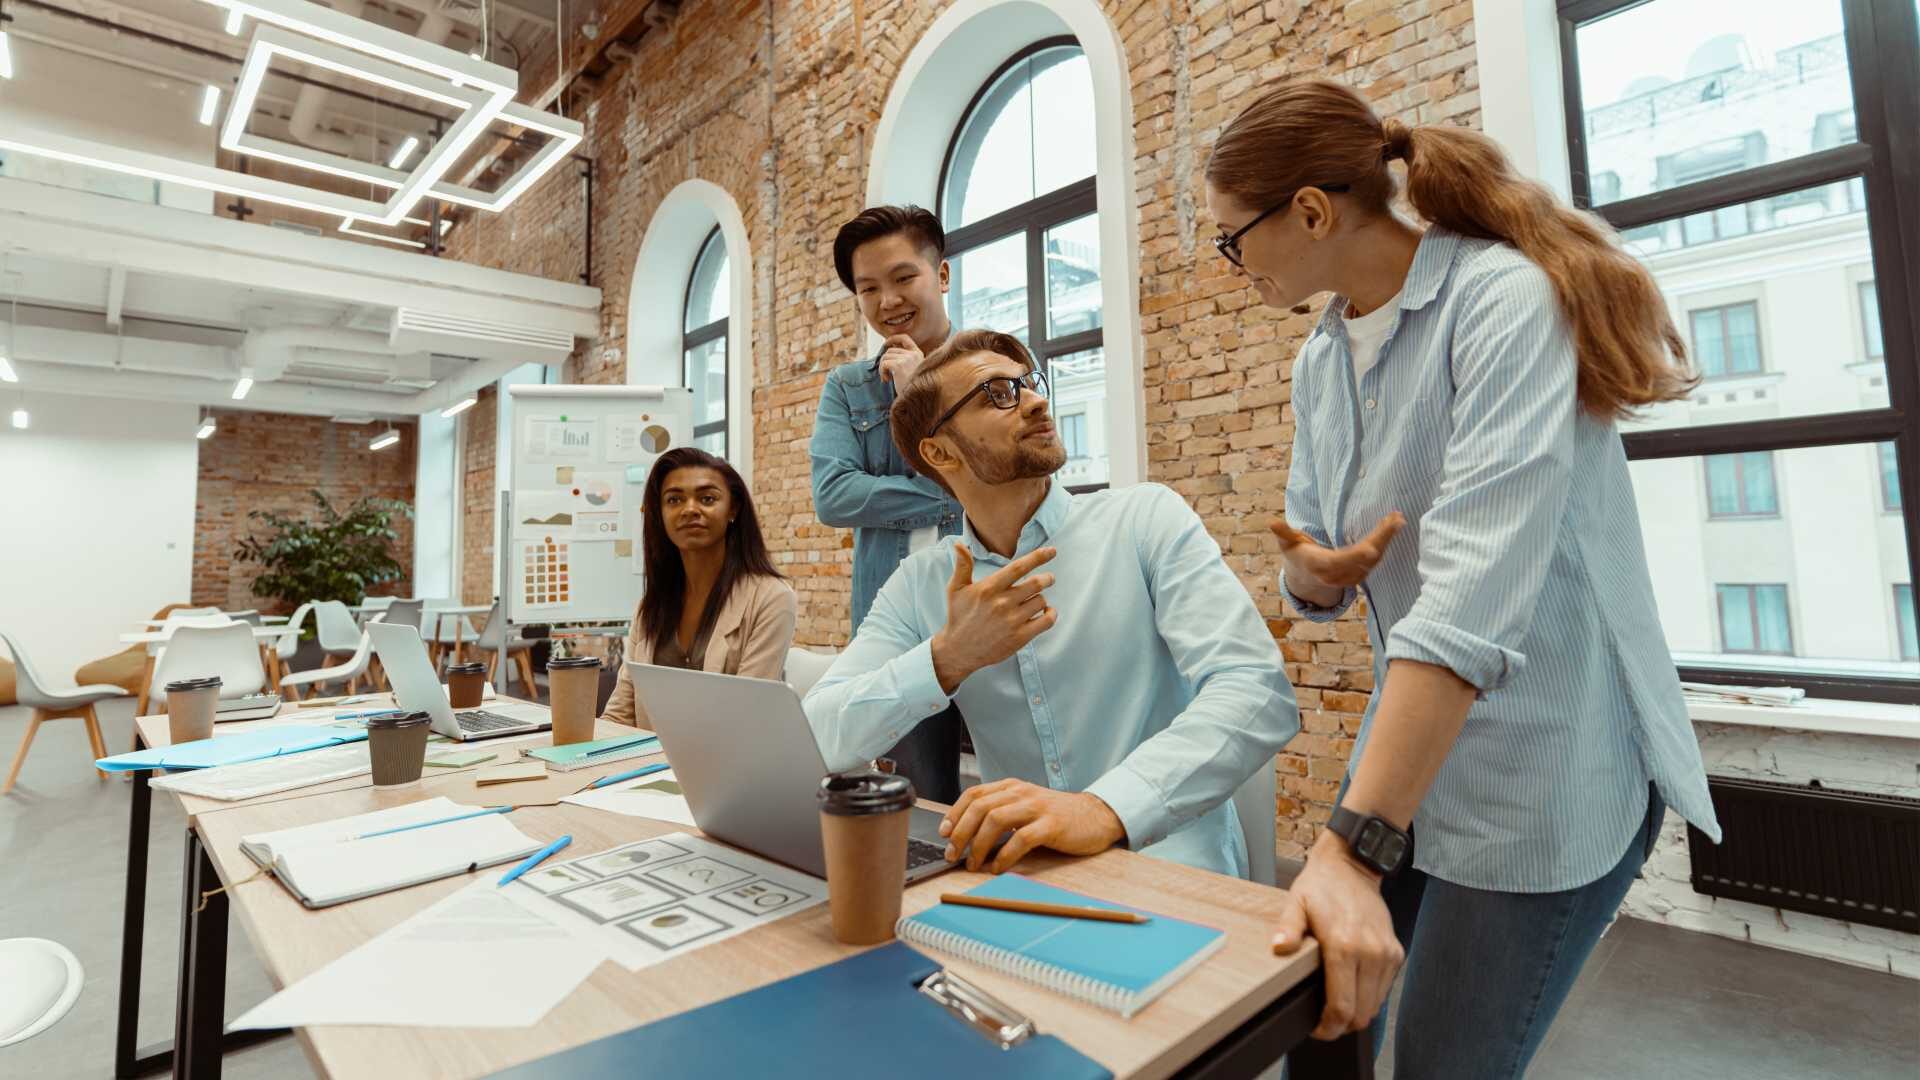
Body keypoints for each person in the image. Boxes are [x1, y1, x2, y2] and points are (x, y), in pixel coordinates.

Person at [1203, 79, 1721, 1075]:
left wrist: (1350, 846)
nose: (1231, 266)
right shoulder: (1324, 358)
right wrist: (1313, 574)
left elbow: (1469, 603)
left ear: (1311, 211)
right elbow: (1317, 556)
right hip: (1421, 752)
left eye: (1235, 239)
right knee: (1319, 1023)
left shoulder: (1504, 302)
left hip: (1549, 764)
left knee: (1443, 1060)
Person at [802, 329, 1298, 878]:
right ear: (940, 451)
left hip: (1170, 871)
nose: (1037, 401)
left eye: (1029, 384)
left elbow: (1257, 689)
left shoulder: (1144, 520)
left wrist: (1104, 808)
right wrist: (947, 659)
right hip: (1019, 878)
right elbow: (818, 734)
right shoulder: (920, 584)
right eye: (997, 393)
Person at [809, 205, 968, 802]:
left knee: (1015, 785)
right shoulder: (849, 387)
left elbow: (1010, 482)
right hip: (896, 622)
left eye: (904, 279)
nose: (888, 301)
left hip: (991, 602)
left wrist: (918, 392)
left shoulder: (994, 366)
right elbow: (833, 496)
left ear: (942, 275)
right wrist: (949, 490)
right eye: (868, 288)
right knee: (918, 794)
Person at [602, 447, 796, 728]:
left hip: (728, 765)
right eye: (674, 500)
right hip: (646, 768)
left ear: (733, 508)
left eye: (707, 498)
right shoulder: (651, 608)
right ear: (660, 513)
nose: (690, 509)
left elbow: (744, 719)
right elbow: (621, 713)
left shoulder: (770, 598)